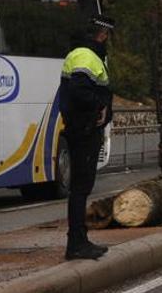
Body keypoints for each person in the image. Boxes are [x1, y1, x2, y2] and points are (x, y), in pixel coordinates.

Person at [58, 14, 115, 260]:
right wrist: (98, 109)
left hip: (82, 128)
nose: (107, 39)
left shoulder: (84, 54)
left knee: (81, 188)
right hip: (84, 130)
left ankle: (80, 240)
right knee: (80, 189)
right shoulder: (85, 55)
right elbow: (80, 91)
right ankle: (76, 243)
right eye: (106, 35)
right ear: (101, 34)